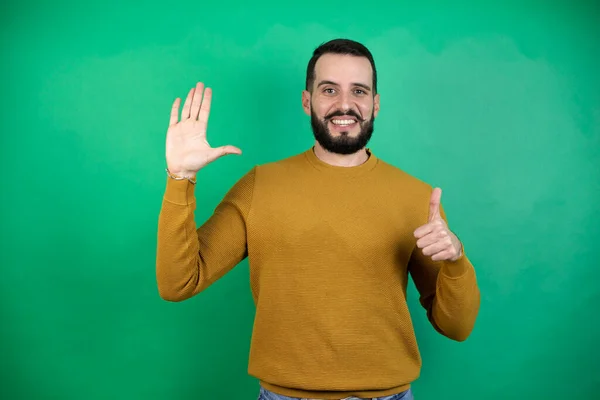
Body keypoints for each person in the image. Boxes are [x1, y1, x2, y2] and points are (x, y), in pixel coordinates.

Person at [156, 38, 480, 400]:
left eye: (359, 91)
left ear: (375, 103)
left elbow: (458, 327)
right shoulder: (260, 186)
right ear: (307, 101)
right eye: (329, 90)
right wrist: (180, 178)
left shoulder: (418, 197)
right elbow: (178, 283)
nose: (345, 104)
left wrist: (456, 259)